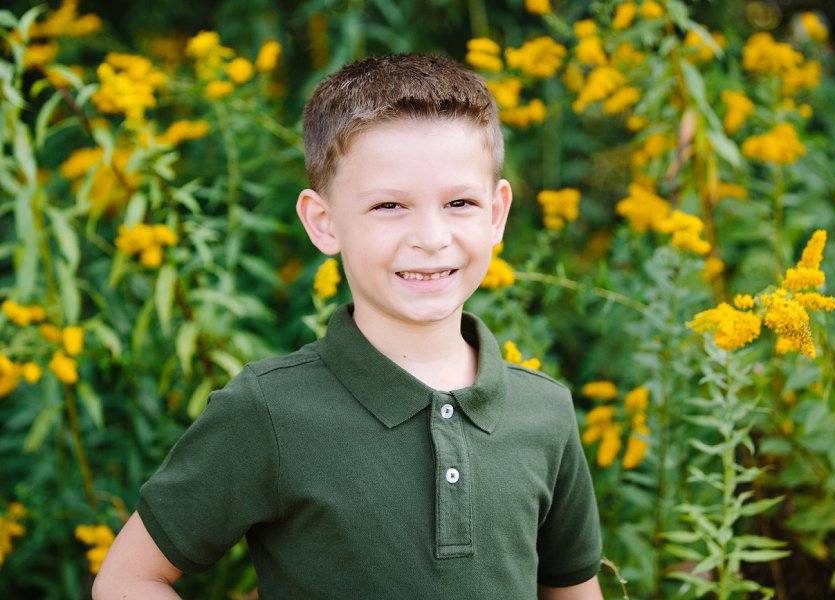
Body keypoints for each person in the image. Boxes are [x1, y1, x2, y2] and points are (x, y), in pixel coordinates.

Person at [93, 53, 604, 599]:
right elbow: (129, 579)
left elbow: (573, 591)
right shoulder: (268, 411)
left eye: (459, 202)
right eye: (389, 205)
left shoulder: (545, 412)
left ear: (497, 214)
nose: (431, 237)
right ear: (324, 221)